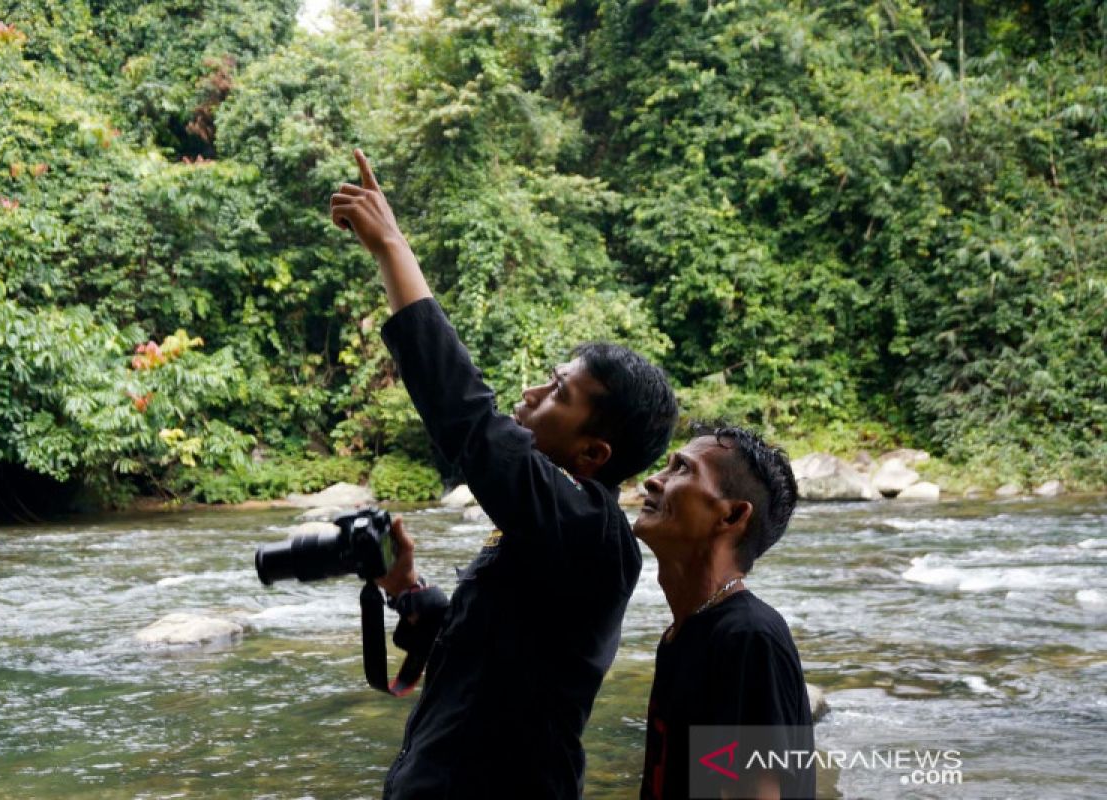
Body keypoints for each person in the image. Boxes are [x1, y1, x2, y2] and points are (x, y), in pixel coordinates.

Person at [329, 149, 678, 799]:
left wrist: (392, 248)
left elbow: (469, 418)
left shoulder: (589, 531)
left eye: (557, 393)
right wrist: (407, 588)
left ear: (593, 454)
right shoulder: (550, 529)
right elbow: (496, 651)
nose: (530, 392)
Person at [633, 424, 814, 800]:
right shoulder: (685, 632)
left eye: (681, 469)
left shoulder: (747, 639)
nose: (653, 480)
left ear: (731, 516)